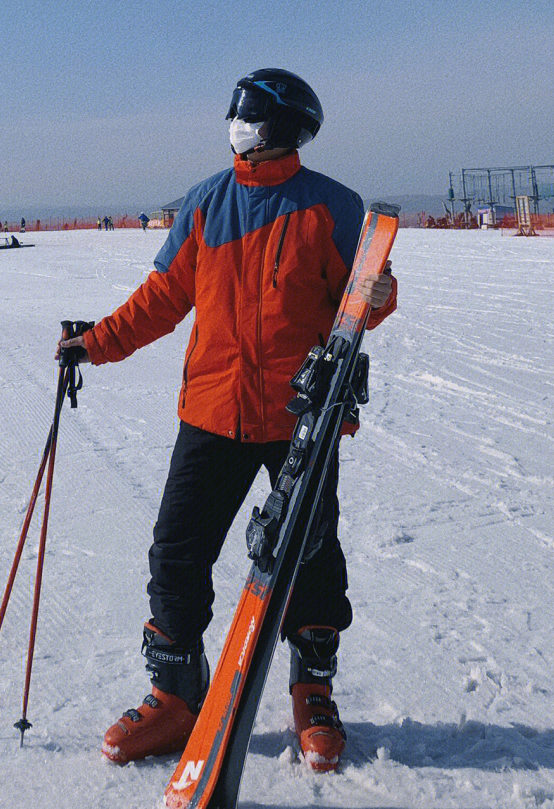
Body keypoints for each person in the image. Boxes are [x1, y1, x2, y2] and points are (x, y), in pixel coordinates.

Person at [58, 68, 397, 771]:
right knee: (178, 551)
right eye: (235, 108)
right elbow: (161, 298)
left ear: (282, 125)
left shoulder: (333, 207)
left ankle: (312, 690)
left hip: (299, 419)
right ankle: (177, 695)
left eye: (248, 111)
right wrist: (95, 342)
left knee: (313, 557)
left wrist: (380, 295)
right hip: (212, 412)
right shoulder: (208, 202)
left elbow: (354, 307)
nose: (235, 121)